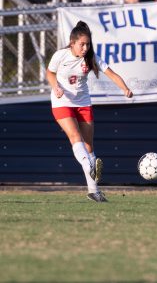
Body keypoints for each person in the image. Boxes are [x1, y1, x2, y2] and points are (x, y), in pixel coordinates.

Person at [46, 21, 133, 202]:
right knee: (75, 137)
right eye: (82, 44)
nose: (85, 48)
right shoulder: (60, 55)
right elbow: (50, 73)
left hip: (83, 103)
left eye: (88, 44)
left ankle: (94, 192)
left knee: (89, 147)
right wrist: (56, 87)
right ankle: (89, 167)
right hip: (62, 102)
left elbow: (112, 74)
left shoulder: (92, 57)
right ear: (72, 43)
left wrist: (125, 89)